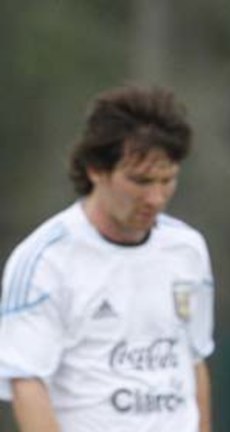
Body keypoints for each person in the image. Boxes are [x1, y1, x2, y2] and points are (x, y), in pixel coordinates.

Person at [0, 86, 215, 432]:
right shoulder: (45, 261)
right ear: (96, 170)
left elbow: (193, 360)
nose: (156, 198)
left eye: (167, 180)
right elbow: (27, 383)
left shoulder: (187, 249)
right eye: (141, 181)